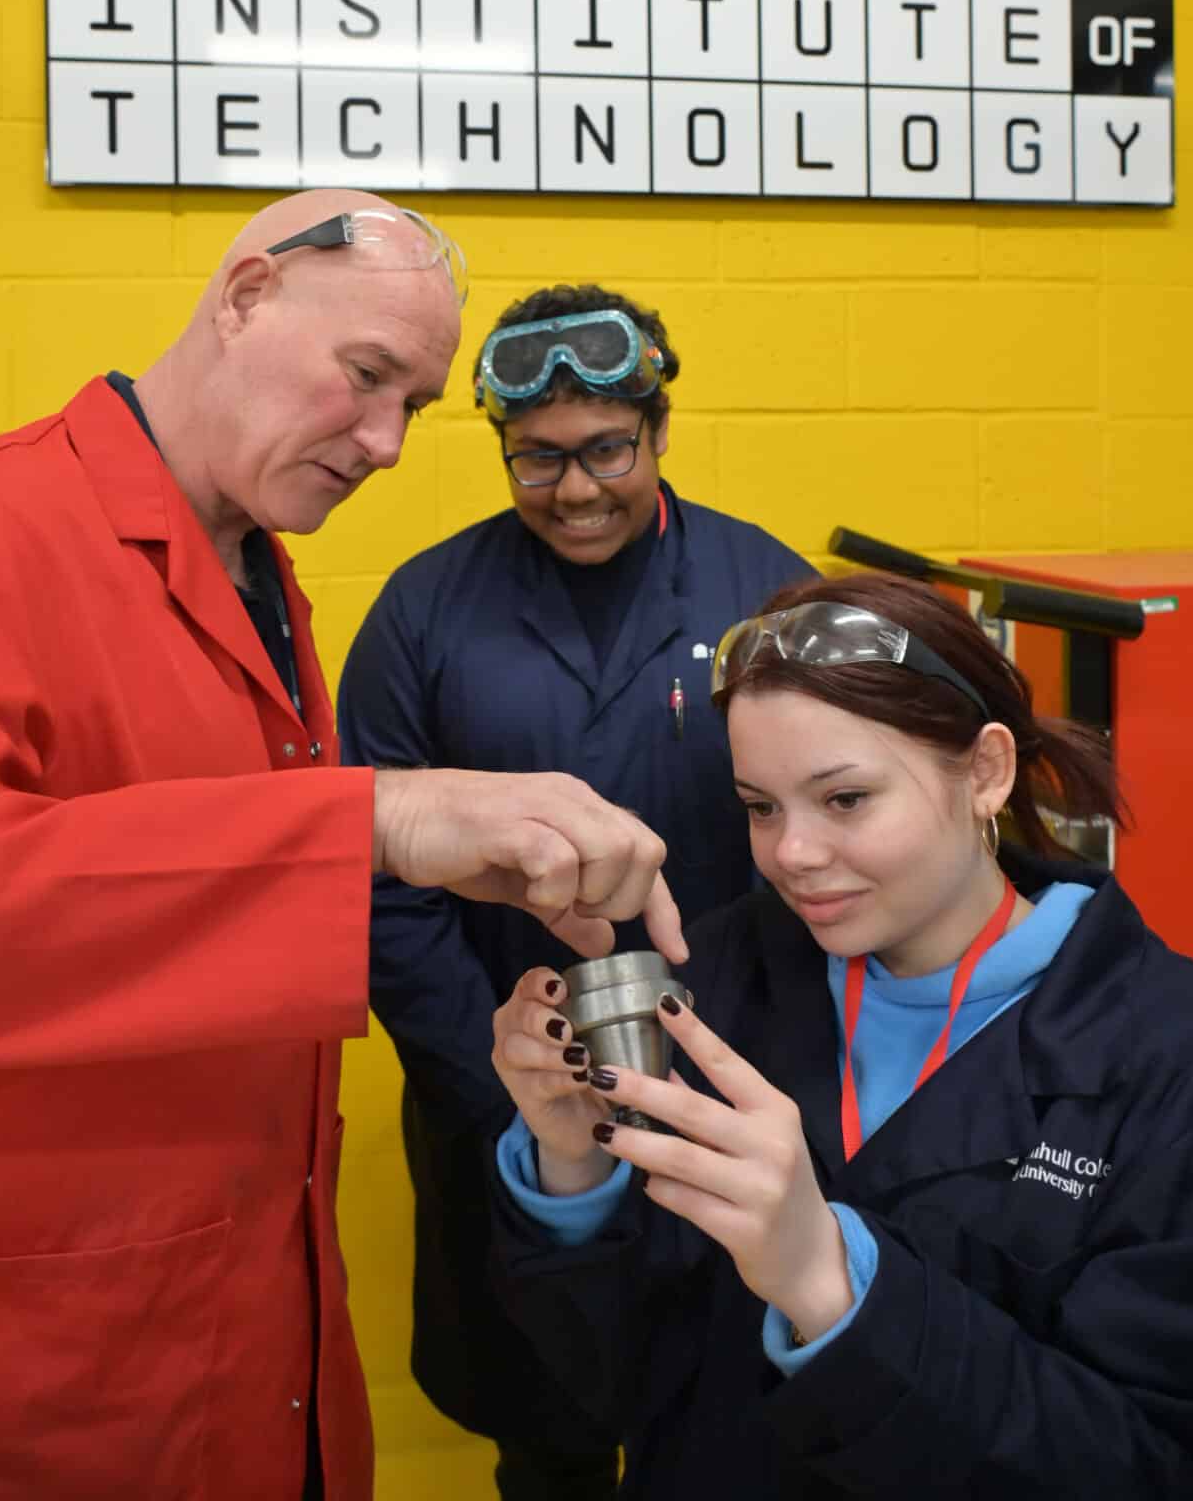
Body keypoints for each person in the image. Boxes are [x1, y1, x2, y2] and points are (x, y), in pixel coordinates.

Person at [0, 194, 685, 1501]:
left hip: (248, 1340)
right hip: (34, 1373)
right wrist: (376, 822)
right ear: (246, 295)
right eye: (365, 376)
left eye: (414, 408)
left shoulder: (252, 571)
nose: (381, 444)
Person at [488, 571, 1193, 1499]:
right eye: (761, 807)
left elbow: (1158, 1470)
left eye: (844, 800)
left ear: (986, 772)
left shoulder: (1185, 1065)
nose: (791, 854)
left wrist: (833, 1284)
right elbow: (609, 1390)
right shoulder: (720, 974)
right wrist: (572, 1171)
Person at [336, 283, 809, 1500]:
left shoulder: (767, 592)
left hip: (730, 1089)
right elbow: (375, 885)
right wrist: (494, 1082)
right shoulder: (421, 611)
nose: (579, 487)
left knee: (733, 1417)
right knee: (543, 1421)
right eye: (535, 459)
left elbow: (828, 842)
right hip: (498, 1100)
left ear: (658, 426)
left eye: (608, 448)